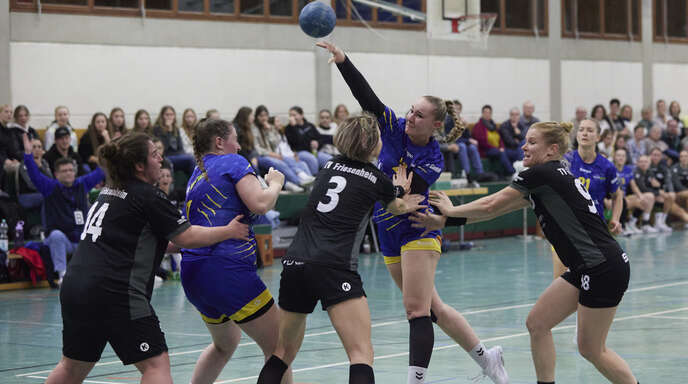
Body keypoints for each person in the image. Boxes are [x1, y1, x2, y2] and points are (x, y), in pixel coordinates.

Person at [318, 41, 508, 384]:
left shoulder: (433, 158)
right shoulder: (392, 126)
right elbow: (369, 99)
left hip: (418, 229)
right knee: (435, 309)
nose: (410, 117)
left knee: (416, 311)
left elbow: (409, 195)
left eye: (419, 115)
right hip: (387, 227)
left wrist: (395, 188)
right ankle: (488, 359)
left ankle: (415, 380)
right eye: (410, 110)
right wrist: (344, 60)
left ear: (434, 125)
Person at [427, 121, 639, 384]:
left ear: (551, 150)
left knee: (592, 349)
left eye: (532, 142)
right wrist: (447, 222)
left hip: (602, 268)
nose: (524, 147)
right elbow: (498, 209)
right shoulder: (549, 176)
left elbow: (491, 204)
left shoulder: (540, 175)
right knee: (537, 323)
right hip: (591, 267)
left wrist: (450, 211)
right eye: (525, 140)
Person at [45, 132, 250, 384]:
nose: (161, 159)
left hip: (76, 288)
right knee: (156, 365)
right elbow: (187, 236)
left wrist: (195, 244)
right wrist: (228, 231)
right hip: (116, 291)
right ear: (139, 166)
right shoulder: (148, 196)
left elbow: (144, 242)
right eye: (154, 155)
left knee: (72, 366)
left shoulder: (109, 193)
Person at [257, 114, 426, 384]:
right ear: (371, 144)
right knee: (361, 353)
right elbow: (397, 207)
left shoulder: (328, 166)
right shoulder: (376, 178)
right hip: (334, 267)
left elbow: (352, 187)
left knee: (282, 352)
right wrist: (403, 194)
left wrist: (390, 190)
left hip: (295, 263)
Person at [180, 119, 292, 384]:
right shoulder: (234, 161)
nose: (239, 145)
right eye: (235, 139)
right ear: (219, 142)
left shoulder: (198, 173)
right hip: (226, 269)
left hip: (193, 273)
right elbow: (261, 203)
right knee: (281, 347)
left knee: (225, 344)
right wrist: (275, 183)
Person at [21, 134, 106, 284]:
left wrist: (109, 148)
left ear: (74, 172)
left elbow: (101, 171)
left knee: (97, 234)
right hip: (60, 241)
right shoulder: (50, 187)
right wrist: (28, 155)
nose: (68, 173)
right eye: (64, 171)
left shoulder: (82, 184)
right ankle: (62, 274)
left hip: (80, 240)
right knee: (56, 236)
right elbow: (34, 175)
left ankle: (99, 275)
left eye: (70, 170)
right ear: (56, 174)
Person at [553, 119, 623, 278]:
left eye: (590, 130)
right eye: (582, 129)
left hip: (594, 231)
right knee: (561, 281)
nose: (585, 133)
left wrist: (616, 218)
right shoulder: (565, 161)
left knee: (592, 283)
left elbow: (618, 195)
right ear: (576, 135)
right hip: (566, 229)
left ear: (598, 137)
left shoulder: (606, 167)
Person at [252, 105, 314, 192]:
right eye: (261, 116)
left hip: (273, 154)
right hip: (261, 157)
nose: (263, 118)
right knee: (280, 163)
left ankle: (306, 179)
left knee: (292, 160)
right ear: (257, 117)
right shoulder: (254, 128)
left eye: (265, 115)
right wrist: (272, 154)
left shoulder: (269, 128)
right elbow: (257, 148)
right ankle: (298, 181)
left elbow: (276, 142)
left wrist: (270, 131)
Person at [612, 148, 656, 235]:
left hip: (625, 197)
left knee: (649, 197)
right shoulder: (610, 168)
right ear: (614, 157)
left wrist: (641, 196)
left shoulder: (628, 169)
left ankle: (642, 224)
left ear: (626, 158)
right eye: (618, 155)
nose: (621, 158)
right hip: (613, 198)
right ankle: (623, 226)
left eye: (623, 156)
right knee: (622, 198)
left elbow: (634, 186)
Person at [285, 106, 333, 174]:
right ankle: (315, 180)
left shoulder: (309, 125)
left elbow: (319, 137)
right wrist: (294, 127)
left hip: (313, 151)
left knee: (329, 159)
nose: (292, 117)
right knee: (311, 159)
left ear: (301, 115)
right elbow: (296, 141)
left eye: (294, 115)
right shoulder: (289, 128)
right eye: (290, 115)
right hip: (299, 152)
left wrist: (317, 143)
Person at [648, 147, 688, 227]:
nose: (656, 157)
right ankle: (656, 223)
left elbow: (668, 183)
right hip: (653, 195)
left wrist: (666, 192)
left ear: (661, 157)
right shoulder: (646, 166)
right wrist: (658, 191)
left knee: (681, 212)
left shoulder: (663, 168)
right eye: (654, 155)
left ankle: (661, 222)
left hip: (665, 197)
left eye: (658, 155)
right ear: (650, 156)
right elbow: (644, 185)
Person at [473, 105, 515, 178]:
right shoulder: (478, 126)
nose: (487, 114)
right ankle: (511, 172)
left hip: (497, 149)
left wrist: (501, 147)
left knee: (513, 153)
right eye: (485, 112)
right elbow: (482, 143)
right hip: (485, 151)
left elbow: (500, 139)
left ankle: (518, 171)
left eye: (489, 113)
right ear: (482, 113)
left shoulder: (493, 125)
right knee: (501, 153)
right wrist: (498, 149)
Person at [153, 105, 195, 175]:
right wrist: (168, 131)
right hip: (165, 156)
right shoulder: (157, 129)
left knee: (193, 159)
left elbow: (180, 147)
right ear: (162, 116)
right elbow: (164, 148)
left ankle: (193, 184)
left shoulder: (176, 129)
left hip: (177, 156)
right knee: (191, 159)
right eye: (167, 115)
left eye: (171, 115)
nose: (169, 117)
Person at [672, 150, 688, 227]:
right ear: (679, 158)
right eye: (681, 156)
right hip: (677, 194)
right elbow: (677, 185)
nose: (684, 158)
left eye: (686, 156)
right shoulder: (675, 168)